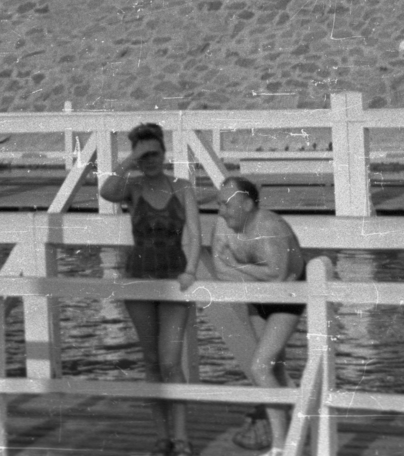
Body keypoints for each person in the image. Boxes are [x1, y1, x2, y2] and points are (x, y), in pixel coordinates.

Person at [100, 123, 202, 456]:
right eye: (144, 156)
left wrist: (190, 271)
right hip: (139, 277)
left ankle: (182, 437)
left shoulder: (182, 186)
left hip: (174, 277)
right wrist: (130, 159)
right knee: (151, 361)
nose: (150, 161)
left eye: (154, 154)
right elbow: (106, 190)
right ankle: (162, 437)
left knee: (171, 361)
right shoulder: (132, 186)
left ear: (164, 152)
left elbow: (196, 235)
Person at [212, 177, 307, 456]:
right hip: (257, 296)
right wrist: (251, 271)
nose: (221, 211)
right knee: (274, 368)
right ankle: (295, 436)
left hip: (288, 296)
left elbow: (278, 276)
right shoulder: (222, 226)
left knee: (260, 367)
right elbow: (219, 271)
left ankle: (281, 446)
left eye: (227, 205)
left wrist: (237, 267)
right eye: (219, 204)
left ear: (247, 204)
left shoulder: (269, 227)